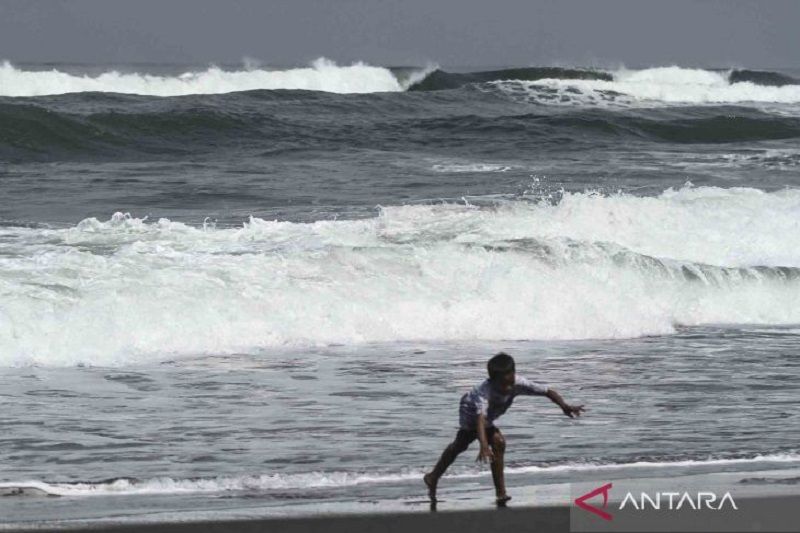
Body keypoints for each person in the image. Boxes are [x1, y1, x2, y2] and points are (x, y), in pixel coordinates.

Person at [423, 352, 584, 506]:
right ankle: (433, 476)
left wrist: (564, 406)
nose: (508, 388)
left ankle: (499, 493)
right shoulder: (483, 393)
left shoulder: (519, 383)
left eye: (510, 382)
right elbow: (480, 419)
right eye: (503, 384)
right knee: (464, 444)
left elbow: (547, 391)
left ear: (514, 374)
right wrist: (484, 445)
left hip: (488, 415)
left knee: (495, 443)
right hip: (469, 410)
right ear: (492, 381)